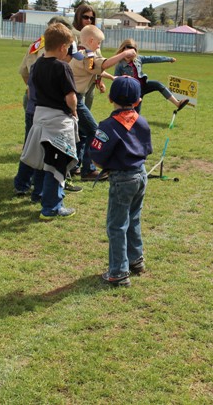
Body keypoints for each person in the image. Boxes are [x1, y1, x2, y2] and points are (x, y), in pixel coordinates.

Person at [89, 76, 153, 287]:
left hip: (122, 179)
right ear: (138, 101)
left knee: (116, 226)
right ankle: (136, 259)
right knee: (133, 218)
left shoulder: (108, 125)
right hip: (141, 175)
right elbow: (147, 149)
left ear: (109, 98)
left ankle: (118, 272)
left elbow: (97, 157)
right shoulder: (142, 121)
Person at [18, 23, 81, 220]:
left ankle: (38, 194)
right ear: (63, 47)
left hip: (39, 118)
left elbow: (31, 90)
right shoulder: (62, 67)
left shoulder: (36, 66)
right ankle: (51, 208)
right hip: (57, 122)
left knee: (42, 161)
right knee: (56, 164)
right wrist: (74, 110)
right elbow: (71, 97)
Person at [70, 24, 137, 181]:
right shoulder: (88, 55)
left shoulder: (80, 54)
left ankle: (74, 165)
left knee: (83, 132)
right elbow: (102, 64)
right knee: (95, 131)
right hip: (76, 99)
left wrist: (112, 78)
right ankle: (88, 170)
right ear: (91, 40)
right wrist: (124, 54)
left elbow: (93, 69)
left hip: (74, 98)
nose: (99, 46)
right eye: (98, 43)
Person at [114, 38, 190, 113]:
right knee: (136, 113)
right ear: (122, 50)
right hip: (134, 91)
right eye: (127, 53)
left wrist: (168, 59)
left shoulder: (138, 59)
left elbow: (153, 58)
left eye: (131, 54)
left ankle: (177, 103)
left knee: (158, 85)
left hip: (143, 85)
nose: (129, 56)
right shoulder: (120, 65)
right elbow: (116, 80)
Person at [72, 4, 101, 109]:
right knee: (78, 113)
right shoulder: (72, 35)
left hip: (91, 81)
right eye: (85, 17)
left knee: (86, 111)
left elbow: (97, 58)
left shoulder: (95, 35)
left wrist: (99, 80)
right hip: (77, 81)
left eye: (92, 18)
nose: (89, 20)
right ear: (78, 16)